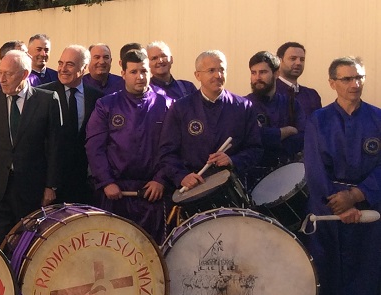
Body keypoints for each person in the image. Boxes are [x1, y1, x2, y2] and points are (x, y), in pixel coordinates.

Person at [303, 57, 381, 295]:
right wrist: (337, 205)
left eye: (359, 77)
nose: (354, 84)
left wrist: (359, 196)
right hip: (327, 205)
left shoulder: (378, 118)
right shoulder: (318, 120)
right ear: (332, 83)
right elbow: (314, 168)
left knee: (367, 267)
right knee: (322, 264)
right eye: (347, 79)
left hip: (369, 204)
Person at [86, 49, 174, 242]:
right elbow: (95, 147)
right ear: (123, 74)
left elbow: (173, 148)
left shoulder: (166, 105)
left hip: (152, 194)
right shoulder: (106, 105)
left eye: (143, 71)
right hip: (115, 194)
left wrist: (161, 180)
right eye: (133, 72)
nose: (140, 77)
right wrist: (106, 182)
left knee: (152, 253)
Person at [0, 50, 61, 243]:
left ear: (24, 74)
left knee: (29, 242)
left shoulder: (46, 100)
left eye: (8, 74)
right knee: (1, 243)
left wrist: (50, 185)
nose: (2, 79)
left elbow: (54, 146)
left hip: (32, 188)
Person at [156, 50, 262, 194]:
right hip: (193, 189)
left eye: (222, 70)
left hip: (232, 189)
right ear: (197, 75)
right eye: (211, 70)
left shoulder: (243, 107)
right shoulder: (181, 108)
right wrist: (181, 176)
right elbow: (166, 152)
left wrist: (233, 160)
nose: (218, 75)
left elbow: (255, 149)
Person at [40, 45, 102, 205]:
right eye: (61, 63)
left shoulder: (98, 99)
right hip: (51, 185)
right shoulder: (42, 96)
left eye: (70, 64)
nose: (63, 69)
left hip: (85, 184)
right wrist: (48, 184)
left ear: (83, 68)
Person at [245, 51, 304, 189]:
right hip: (254, 178)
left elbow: (303, 138)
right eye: (253, 73)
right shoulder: (244, 106)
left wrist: (271, 138)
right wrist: (287, 131)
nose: (257, 77)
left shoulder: (292, 104)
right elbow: (255, 137)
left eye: (263, 72)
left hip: (289, 176)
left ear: (276, 73)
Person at [276, 42, 323, 118]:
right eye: (293, 59)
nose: (298, 63)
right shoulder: (270, 92)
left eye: (302, 59)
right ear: (279, 61)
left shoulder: (312, 95)